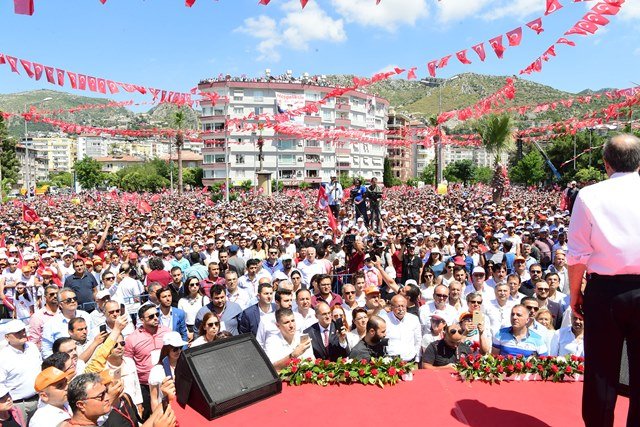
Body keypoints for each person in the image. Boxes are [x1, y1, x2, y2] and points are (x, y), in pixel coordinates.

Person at [567, 134, 640, 427]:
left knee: (601, 372)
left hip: (605, 292)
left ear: (606, 163)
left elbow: (576, 255)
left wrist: (575, 294)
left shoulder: (589, 195)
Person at [124, 304, 171, 420]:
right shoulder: (132, 339)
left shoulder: (167, 332)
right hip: (144, 385)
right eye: (150, 316)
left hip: (165, 382)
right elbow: (127, 362)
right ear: (141, 320)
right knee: (147, 417)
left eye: (157, 315)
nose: (155, 318)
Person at [0, 320, 42, 422]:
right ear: (7, 337)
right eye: (17, 332)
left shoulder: (32, 347)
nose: (23, 334)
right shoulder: (3, 357)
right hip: (18, 404)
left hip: (39, 398)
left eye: (23, 330)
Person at [41, 288, 93, 358]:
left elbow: (93, 337)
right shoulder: (50, 324)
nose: (73, 301)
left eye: (75, 298)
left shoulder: (86, 316)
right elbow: (47, 351)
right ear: (60, 305)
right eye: (68, 300)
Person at [148, 332, 188, 412]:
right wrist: (157, 417)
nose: (179, 351)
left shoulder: (186, 365)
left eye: (180, 347)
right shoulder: (157, 370)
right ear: (167, 349)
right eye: (175, 349)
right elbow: (154, 398)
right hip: (165, 409)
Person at [382, 295, 421, 362]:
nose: (401, 309)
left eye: (403, 306)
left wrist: (417, 359)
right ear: (392, 307)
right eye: (398, 306)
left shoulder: (414, 319)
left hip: (410, 361)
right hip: (390, 362)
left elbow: (418, 340)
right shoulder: (384, 319)